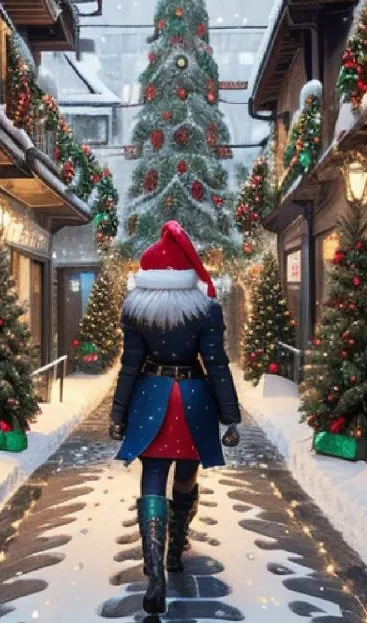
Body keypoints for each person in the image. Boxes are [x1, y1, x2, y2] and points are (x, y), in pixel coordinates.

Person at [109, 221, 241, 615]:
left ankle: (154, 571)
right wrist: (229, 416)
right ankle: (175, 551)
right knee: (186, 475)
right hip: (194, 399)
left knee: (152, 477)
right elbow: (215, 363)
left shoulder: (135, 310)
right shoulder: (205, 311)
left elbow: (129, 365)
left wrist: (118, 413)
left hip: (151, 395)